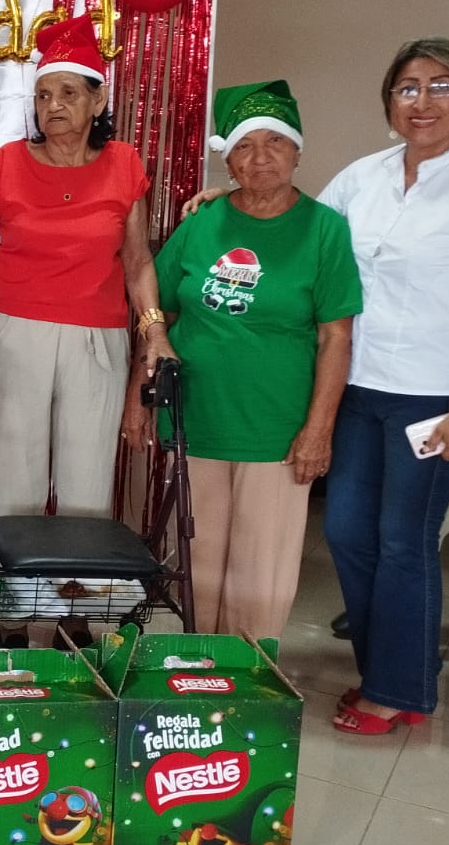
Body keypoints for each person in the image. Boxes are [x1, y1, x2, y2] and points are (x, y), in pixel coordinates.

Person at [188, 38, 449, 733]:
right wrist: (233, 195)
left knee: (404, 540)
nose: (423, 101)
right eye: (408, 88)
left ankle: (399, 691)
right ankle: (389, 668)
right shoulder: (364, 176)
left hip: (434, 396)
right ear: (390, 102)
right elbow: (295, 221)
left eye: (441, 86)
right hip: (359, 386)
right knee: (347, 532)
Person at [0, 16, 173, 645]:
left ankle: (76, 616)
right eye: (43, 95)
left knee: (87, 483)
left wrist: (153, 332)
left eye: (68, 93)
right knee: (14, 476)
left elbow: (138, 261)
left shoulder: (123, 164)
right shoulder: (9, 164)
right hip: (19, 332)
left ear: (98, 99)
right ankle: (13, 617)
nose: (54, 106)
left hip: (99, 336)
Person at [124, 81, 361, 640]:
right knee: (196, 563)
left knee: (262, 574)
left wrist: (319, 430)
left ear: (297, 152)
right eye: (245, 146)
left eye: (275, 142)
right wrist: (140, 396)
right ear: (228, 161)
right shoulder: (202, 222)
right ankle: (196, 667)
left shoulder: (324, 229)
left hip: (276, 429)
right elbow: (161, 313)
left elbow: (336, 338)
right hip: (195, 418)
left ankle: (248, 675)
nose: (260, 158)